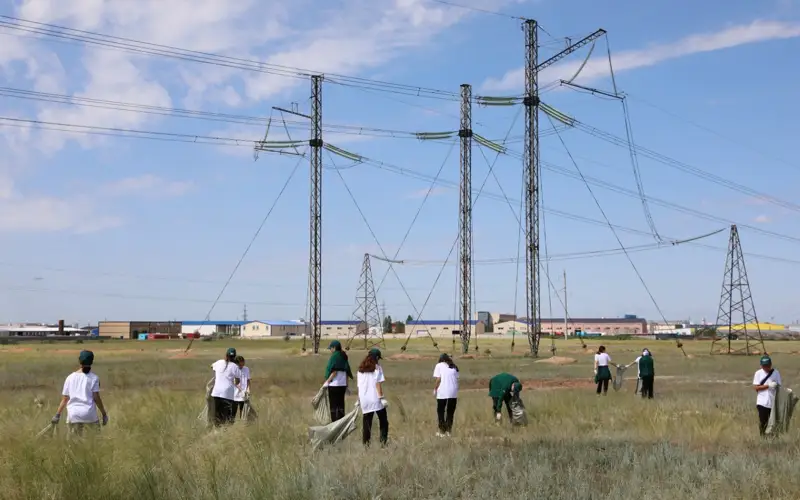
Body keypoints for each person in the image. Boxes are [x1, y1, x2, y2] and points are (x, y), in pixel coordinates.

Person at [51, 350, 108, 436]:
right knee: (95, 441)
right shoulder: (94, 378)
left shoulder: (70, 378)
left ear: (79, 361)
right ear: (92, 361)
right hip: (90, 415)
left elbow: (65, 399)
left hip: (73, 415)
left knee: (73, 444)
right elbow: (96, 398)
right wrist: (104, 414)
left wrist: (57, 415)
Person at [357, 347, 388, 447]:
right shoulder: (377, 368)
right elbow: (378, 384)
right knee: (384, 421)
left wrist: (359, 400)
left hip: (364, 399)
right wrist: (381, 398)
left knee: (367, 423)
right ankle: (383, 443)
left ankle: (366, 445)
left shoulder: (360, 369)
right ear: (377, 357)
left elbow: (359, 386)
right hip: (375, 399)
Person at [323, 340, 353, 422]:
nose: (330, 350)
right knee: (341, 406)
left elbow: (334, 371)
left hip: (334, 385)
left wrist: (327, 381)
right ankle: (341, 423)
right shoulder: (344, 356)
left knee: (333, 407)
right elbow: (347, 372)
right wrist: (347, 386)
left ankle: (334, 424)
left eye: (331, 348)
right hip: (342, 385)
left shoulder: (334, 357)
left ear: (334, 348)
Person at [210, 347, 242, 426]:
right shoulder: (235, 366)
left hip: (216, 392)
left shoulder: (219, 362)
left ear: (226, 355)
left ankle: (217, 429)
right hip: (227, 393)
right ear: (234, 356)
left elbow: (211, 366)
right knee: (226, 414)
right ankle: (224, 430)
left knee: (217, 414)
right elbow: (237, 381)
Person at [753, 355, 781, 437]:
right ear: (761, 365)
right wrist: (768, 386)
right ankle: (763, 437)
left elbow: (779, 385)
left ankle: (773, 437)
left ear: (771, 364)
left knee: (773, 422)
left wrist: (776, 386)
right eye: (764, 366)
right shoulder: (758, 373)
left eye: (768, 365)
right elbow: (756, 387)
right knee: (763, 421)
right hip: (762, 402)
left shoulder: (776, 373)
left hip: (773, 401)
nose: (766, 367)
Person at [433, 353, 459, 437]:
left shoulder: (439, 365)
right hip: (453, 392)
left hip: (442, 392)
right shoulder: (454, 366)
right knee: (450, 412)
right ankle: (448, 431)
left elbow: (438, 379)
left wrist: (435, 389)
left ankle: (442, 431)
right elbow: (456, 378)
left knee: (440, 411)